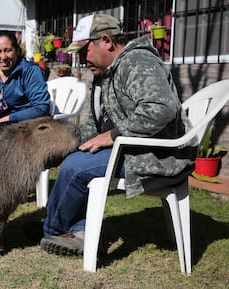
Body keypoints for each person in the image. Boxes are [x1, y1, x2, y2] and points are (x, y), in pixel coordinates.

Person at [39, 14, 196, 256]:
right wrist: (76, 143)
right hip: (131, 147)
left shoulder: (138, 62)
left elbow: (161, 109)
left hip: (160, 154)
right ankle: (78, 230)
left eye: (84, 51)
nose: (81, 60)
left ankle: (52, 230)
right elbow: (93, 120)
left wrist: (112, 136)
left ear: (106, 41)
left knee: (76, 167)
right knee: (72, 156)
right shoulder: (103, 73)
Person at [0, 31, 51, 139]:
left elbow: (41, 107)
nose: (3, 57)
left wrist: (8, 119)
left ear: (17, 51)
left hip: (26, 125)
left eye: (8, 50)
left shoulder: (30, 71)